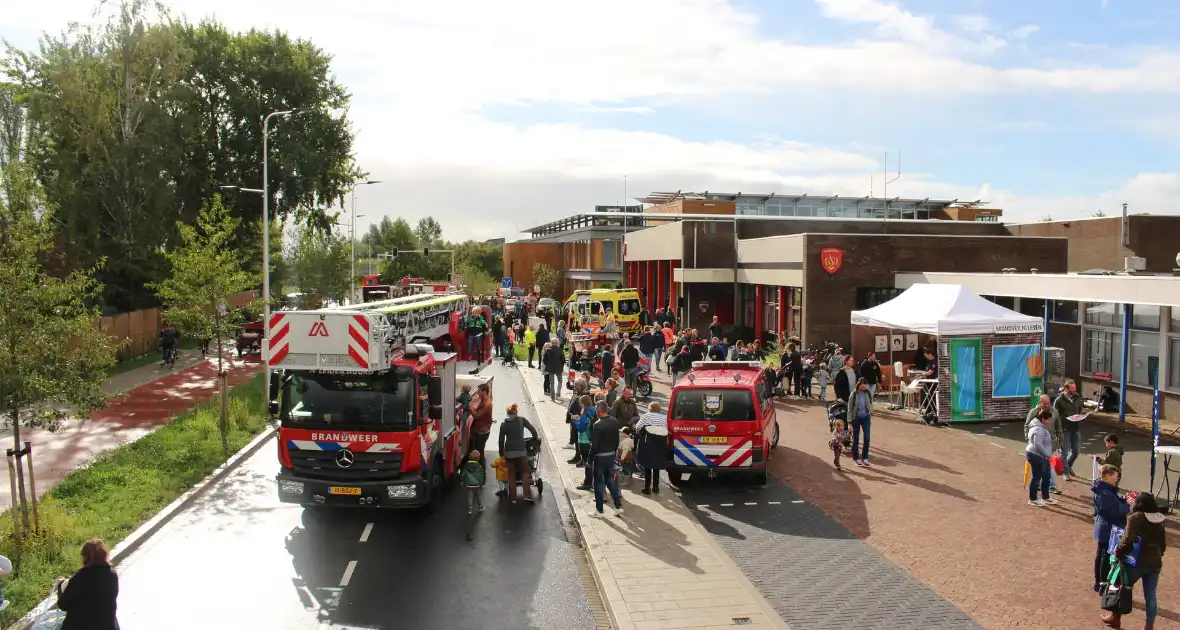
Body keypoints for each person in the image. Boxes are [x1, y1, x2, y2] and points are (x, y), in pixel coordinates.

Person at [1107, 493, 1168, 629]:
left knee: (1121, 588)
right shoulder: (1160, 520)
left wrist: (1118, 553)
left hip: (1136, 563)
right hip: (1155, 563)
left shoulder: (1135, 518)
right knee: (1151, 596)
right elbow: (1163, 544)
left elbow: (1126, 540)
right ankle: (1149, 626)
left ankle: (1115, 618)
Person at [56, 539, 120, 630]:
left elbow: (63, 604)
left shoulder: (80, 577)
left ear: (85, 558)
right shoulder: (112, 574)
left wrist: (60, 587)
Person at [1091, 464, 1129, 593]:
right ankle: (1102, 584)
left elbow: (1113, 504)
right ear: (1107, 477)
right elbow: (1112, 511)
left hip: (1105, 527)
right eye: (1115, 477)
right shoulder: (1104, 493)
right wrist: (1127, 505)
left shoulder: (1105, 490)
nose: (1116, 479)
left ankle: (1100, 583)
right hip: (1108, 528)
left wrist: (1123, 499)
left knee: (1102, 555)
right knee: (1105, 557)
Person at [497, 403, 538, 503]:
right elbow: (532, 430)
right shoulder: (521, 420)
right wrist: (534, 438)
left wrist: (501, 453)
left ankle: (513, 498)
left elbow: (501, 440)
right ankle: (527, 495)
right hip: (521, 451)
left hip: (509, 452)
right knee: (525, 472)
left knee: (511, 474)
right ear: (516, 411)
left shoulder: (504, 424)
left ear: (507, 413)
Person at [589, 401, 624, 517]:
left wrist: (589, 460)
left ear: (599, 410)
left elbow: (594, 445)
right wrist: (613, 452)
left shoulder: (597, 425)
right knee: (610, 481)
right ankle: (618, 506)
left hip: (600, 458)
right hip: (610, 456)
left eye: (595, 409)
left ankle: (599, 511)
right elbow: (617, 441)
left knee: (598, 484)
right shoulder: (614, 421)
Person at [1025, 394, 1063, 494]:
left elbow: (1059, 427)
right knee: (1042, 466)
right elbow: (1027, 426)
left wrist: (1060, 441)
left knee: (1049, 465)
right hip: (1038, 446)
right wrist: (1029, 438)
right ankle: (1044, 487)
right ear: (1040, 402)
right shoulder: (1033, 412)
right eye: (1045, 403)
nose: (1047, 405)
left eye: (1048, 403)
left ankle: (1049, 486)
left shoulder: (1055, 412)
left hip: (1051, 444)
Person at [635, 402, 668, 494]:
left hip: (648, 442)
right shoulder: (663, 417)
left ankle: (647, 488)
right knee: (656, 466)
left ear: (650, 408)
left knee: (648, 466)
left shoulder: (647, 416)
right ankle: (656, 487)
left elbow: (638, 427)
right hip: (660, 443)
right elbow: (666, 428)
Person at [1026, 409, 1056, 507]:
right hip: (1037, 456)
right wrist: (1047, 454)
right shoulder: (1038, 429)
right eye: (1049, 420)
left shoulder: (1040, 426)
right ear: (1043, 419)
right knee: (1037, 477)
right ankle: (1033, 499)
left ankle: (1045, 497)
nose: (1050, 422)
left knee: (1046, 476)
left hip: (1043, 456)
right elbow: (1038, 444)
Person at [1055, 379, 1085, 479]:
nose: (1074, 389)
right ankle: (1065, 472)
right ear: (1066, 388)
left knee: (1076, 451)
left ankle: (1068, 465)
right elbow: (1055, 415)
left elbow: (1080, 409)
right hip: (1065, 429)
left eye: (1075, 388)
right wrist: (1066, 417)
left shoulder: (1077, 397)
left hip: (1075, 427)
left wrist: (1081, 415)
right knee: (1064, 452)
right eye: (1072, 388)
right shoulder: (1059, 400)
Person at [848, 378, 873, 467]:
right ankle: (856, 458)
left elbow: (870, 403)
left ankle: (865, 458)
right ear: (858, 385)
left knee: (867, 438)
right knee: (856, 439)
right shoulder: (853, 395)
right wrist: (849, 422)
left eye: (865, 386)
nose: (864, 388)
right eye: (862, 386)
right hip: (856, 418)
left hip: (866, 417)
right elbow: (849, 409)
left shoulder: (868, 393)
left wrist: (870, 412)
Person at [574, 395, 596, 490]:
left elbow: (581, 428)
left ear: (583, 404)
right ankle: (592, 481)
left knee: (587, 462)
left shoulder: (585, 414)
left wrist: (575, 421)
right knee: (592, 462)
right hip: (592, 440)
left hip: (584, 440)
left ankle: (588, 482)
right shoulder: (595, 411)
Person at [468, 383, 494, 464]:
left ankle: (482, 471)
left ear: (484, 392)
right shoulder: (483, 400)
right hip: (479, 430)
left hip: (482, 432)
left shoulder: (487, 404)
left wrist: (470, 406)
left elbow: (477, 415)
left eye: (479, 391)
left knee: (479, 452)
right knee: (477, 450)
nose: (478, 393)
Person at [460, 450, 486, 517]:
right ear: (478, 458)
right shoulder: (479, 466)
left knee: (470, 497)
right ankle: (480, 507)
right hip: (477, 484)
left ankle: (470, 510)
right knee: (478, 496)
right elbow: (482, 476)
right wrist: (482, 483)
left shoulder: (466, 465)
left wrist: (463, 481)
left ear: (469, 457)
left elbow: (463, 474)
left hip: (469, 484)